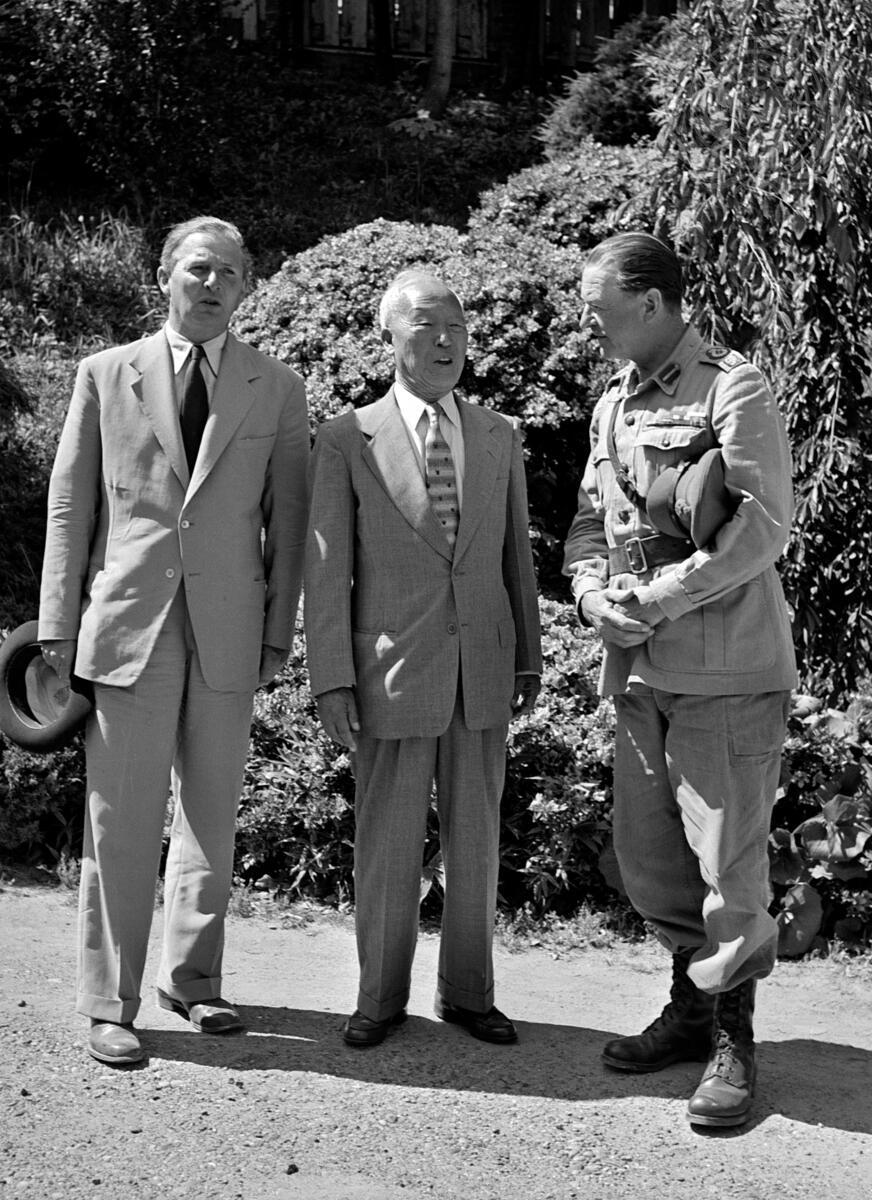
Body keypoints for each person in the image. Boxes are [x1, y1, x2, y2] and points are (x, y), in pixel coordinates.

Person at [37, 215, 310, 1066]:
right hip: (129, 627)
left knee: (211, 817)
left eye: (228, 272)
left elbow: (290, 522)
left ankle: (193, 981)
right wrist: (57, 624)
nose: (211, 284)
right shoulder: (104, 373)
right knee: (119, 820)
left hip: (230, 631)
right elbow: (70, 506)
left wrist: (278, 629)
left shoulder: (278, 386)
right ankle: (109, 1001)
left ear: (246, 286)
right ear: (163, 276)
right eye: (197, 268)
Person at [563, 232, 796, 1128]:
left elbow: (763, 524)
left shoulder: (731, 387)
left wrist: (658, 600)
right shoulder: (612, 402)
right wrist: (591, 596)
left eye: (599, 307)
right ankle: (692, 1009)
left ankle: (734, 1038)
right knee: (650, 857)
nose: (589, 323)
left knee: (727, 860)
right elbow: (590, 518)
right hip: (638, 669)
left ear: (652, 303)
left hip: (725, 669)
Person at [304, 270, 542, 1048]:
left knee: (477, 842)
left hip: (483, 668)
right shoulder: (346, 438)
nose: (445, 342)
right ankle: (379, 998)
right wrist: (332, 677)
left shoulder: (499, 434)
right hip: (390, 673)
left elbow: (514, 557)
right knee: (387, 845)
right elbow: (326, 571)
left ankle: (470, 994)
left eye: (457, 328)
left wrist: (529, 658)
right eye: (426, 327)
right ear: (391, 338)